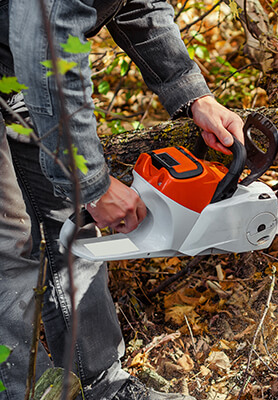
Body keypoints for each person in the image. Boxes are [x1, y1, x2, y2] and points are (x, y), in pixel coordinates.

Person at [0, 0, 244, 399]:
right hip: (32, 60)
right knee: (7, 243)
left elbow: (139, 6)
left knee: (71, 226)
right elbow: (46, 41)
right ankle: (22, 392)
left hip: (19, 70)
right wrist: (91, 183)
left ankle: (102, 384)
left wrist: (192, 92)